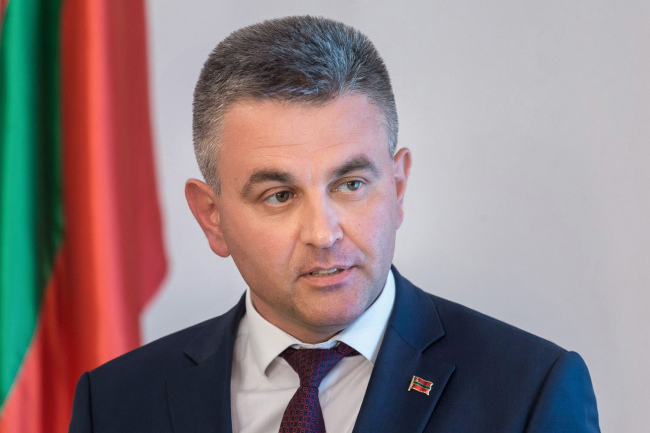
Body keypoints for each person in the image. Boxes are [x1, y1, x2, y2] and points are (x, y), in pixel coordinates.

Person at [69, 15, 600, 433]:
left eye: (350, 185)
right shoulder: (114, 403)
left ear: (397, 187)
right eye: (279, 196)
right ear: (212, 218)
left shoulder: (530, 390)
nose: (323, 234)